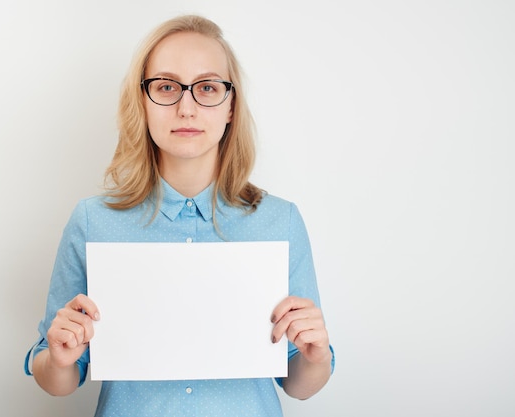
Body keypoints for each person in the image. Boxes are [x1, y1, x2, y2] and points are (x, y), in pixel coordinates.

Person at [25, 14, 334, 416]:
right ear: (143, 102)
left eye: (207, 87)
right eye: (167, 87)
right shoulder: (92, 221)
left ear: (230, 106)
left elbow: (299, 384)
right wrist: (60, 358)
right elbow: (58, 379)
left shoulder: (280, 222)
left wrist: (316, 354)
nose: (186, 108)